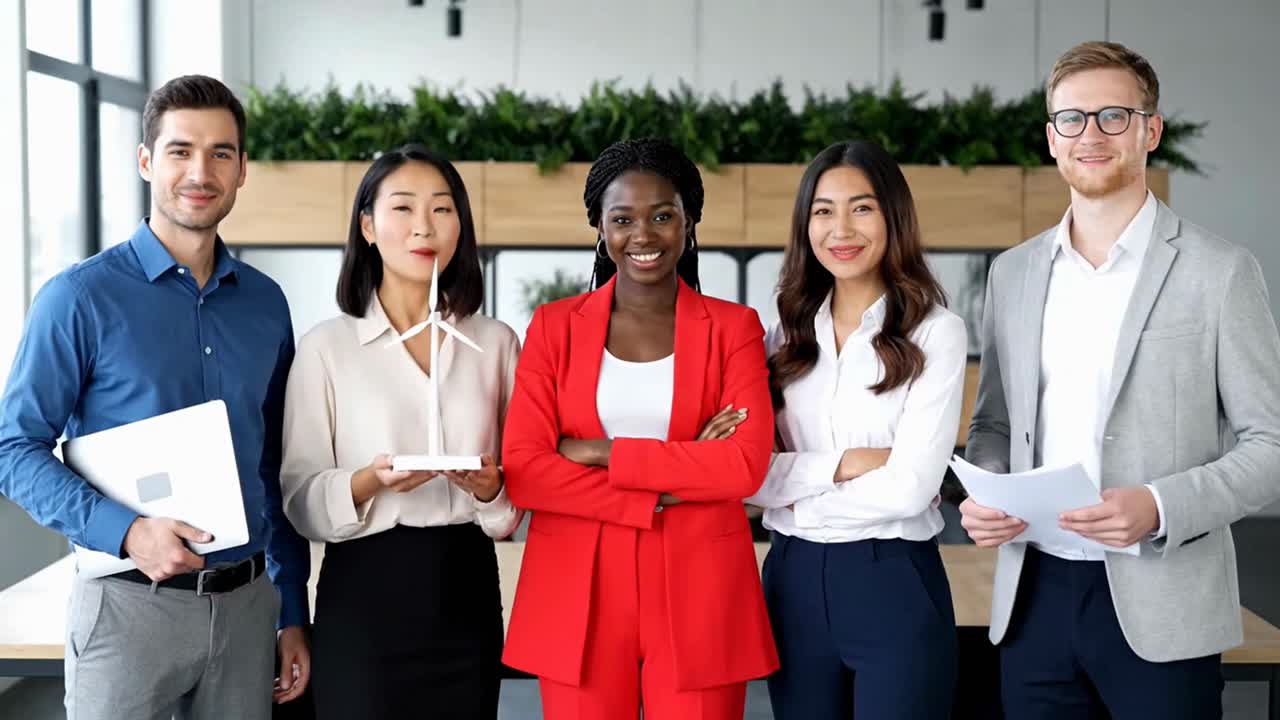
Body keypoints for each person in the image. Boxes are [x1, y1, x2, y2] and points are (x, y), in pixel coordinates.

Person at [961, 41, 1280, 719]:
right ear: (1052, 138)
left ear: (1150, 130)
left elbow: (1271, 444)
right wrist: (987, 489)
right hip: (1033, 597)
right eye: (1072, 119)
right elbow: (993, 422)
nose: (1092, 135)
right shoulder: (1012, 274)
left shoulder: (1221, 272)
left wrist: (1160, 506)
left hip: (1164, 602)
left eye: (1114, 116)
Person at [0, 75, 311, 719]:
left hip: (248, 607)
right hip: (127, 607)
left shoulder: (266, 304)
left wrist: (291, 612)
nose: (201, 171)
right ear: (146, 160)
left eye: (221, 153)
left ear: (242, 169)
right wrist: (129, 532)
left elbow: (273, 466)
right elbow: (13, 447)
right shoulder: (79, 297)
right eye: (180, 151)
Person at [500, 138, 779, 719]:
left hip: (700, 586)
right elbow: (527, 471)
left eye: (662, 216)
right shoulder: (554, 328)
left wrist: (600, 452)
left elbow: (744, 466)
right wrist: (669, 484)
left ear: (688, 222)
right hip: (577, 588)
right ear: (600, 228)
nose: (643, 236)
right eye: (622, 219)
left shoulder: (735, 329)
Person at [280, 145, 523, 720]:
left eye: (442, 209)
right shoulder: (326, 348)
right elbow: (298, 498)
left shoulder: (496, 344)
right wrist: (368, 481)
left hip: (465, 588)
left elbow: (517, 494)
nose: (424, 227)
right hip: (363, 593)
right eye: (403, 208)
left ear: (461, 225)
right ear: (367, 225)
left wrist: (489, 490)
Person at [746, 139, 966, 719]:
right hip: (791, 580)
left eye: (862, 207)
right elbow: (748, 476)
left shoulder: (935, 333)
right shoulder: (779, 336)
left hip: (891, 579)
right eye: (823, 210)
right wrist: (846, 463)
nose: (841, 228)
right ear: (805, 223)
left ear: (893, 216)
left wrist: (798, 496)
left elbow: (912, 487)